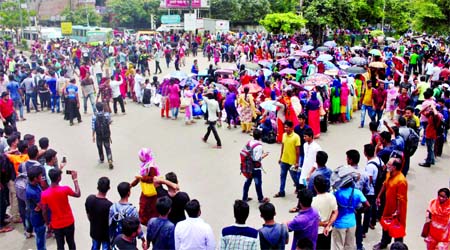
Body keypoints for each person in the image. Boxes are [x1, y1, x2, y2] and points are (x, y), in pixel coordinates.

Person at [41, 168, 81, 250]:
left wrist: (47, 223)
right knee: (71, 242)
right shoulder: (65, 189)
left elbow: (44, 211)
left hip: (56, 224)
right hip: (69, 221)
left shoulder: (44, 194)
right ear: (59, 178)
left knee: (60, 245)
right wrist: (75, 180)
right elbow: (77, 194)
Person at [373, 157, 408, 250]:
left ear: (395, 167)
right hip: (387, 206)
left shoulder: (401, 181)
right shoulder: (389, 173)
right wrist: (379, 196)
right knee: (385, 225)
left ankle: (399, 247)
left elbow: (401, 199)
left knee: (397, 230)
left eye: (389, 164)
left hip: (397, 210)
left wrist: (398, 211)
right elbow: (385, 184)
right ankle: (384, 242)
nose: (387, 165)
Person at [331, 166, 369, 250]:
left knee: (338, 246)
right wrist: (360, 210)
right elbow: (367, 205)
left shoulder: (336, 194)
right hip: (352, 223)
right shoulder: (357, 192)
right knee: (350, 246)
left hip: (339, 223)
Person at [242, 129, 270, 203]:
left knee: (247, 182)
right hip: (255, 168)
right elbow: (256, 158)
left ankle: (244, 197)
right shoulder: (259, 146)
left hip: (248, 166)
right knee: (258, 183)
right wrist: (264, 155)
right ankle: (260, 198)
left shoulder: (249, 142)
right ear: (260, 136)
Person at [85, 177, 113, 250]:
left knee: (94, 247)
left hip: (94, 231)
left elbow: (88, 215)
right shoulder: (109, 205)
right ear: (109, 188)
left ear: (97, 186)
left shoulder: (90, 199)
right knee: (106, 248)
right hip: (105, 234)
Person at [274, 120, 300, 198]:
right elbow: (283, 147)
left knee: (294, 177)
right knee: (282, 176)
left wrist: (297, 162)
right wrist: (280, 157)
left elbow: (297, 151)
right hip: (284, 160)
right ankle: (281, 191)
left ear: (292, 128)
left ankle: (299, 189)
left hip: (292, 161)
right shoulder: (284, 135)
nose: (285, 128)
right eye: (285, 127)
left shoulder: (296, 137)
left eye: (287, 127)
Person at [311, 175, 338, 250]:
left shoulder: (313, 201)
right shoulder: (331, 197)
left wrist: (321, 224)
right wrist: (328, 225)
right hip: (327, 230)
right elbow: (335, 212)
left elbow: (310, 220)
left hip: (316, 232)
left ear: (315, 187)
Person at [26, 165, 47, 250]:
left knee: (41, 239)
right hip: (38, 219)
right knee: (41, 241)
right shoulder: (32, 192)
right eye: (40, 176)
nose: (42, 177)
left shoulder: (34, 185)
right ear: (35, 178)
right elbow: (42, 205)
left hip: (36, 216)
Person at [363, 144, 382, 234]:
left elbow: (369, 179)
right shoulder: (378, 160)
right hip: (378, 187)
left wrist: (365, 188)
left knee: (368, 209)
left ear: (365, 153)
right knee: (374, 206)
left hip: (371, 190)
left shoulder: (370, 166)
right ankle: (373, 222)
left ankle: (364, 230)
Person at [92, 102, 113, 169]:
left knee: (99, 146)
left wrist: (93, 135)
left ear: (97, 108)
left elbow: (93, 127)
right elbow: (109, 122)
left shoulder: (94, 116)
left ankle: (101, 158)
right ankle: (109, 159)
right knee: (107, 147)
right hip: (106, 133)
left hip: (99, 134)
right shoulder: (106, 114)